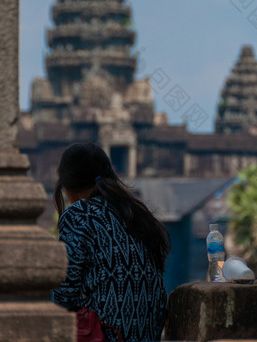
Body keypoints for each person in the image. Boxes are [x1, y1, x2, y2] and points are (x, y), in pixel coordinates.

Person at [52, 142, 171, 342]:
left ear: (68, 186)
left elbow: (64, 296)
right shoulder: (136, 214)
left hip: (105, 336)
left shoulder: (79, 214)